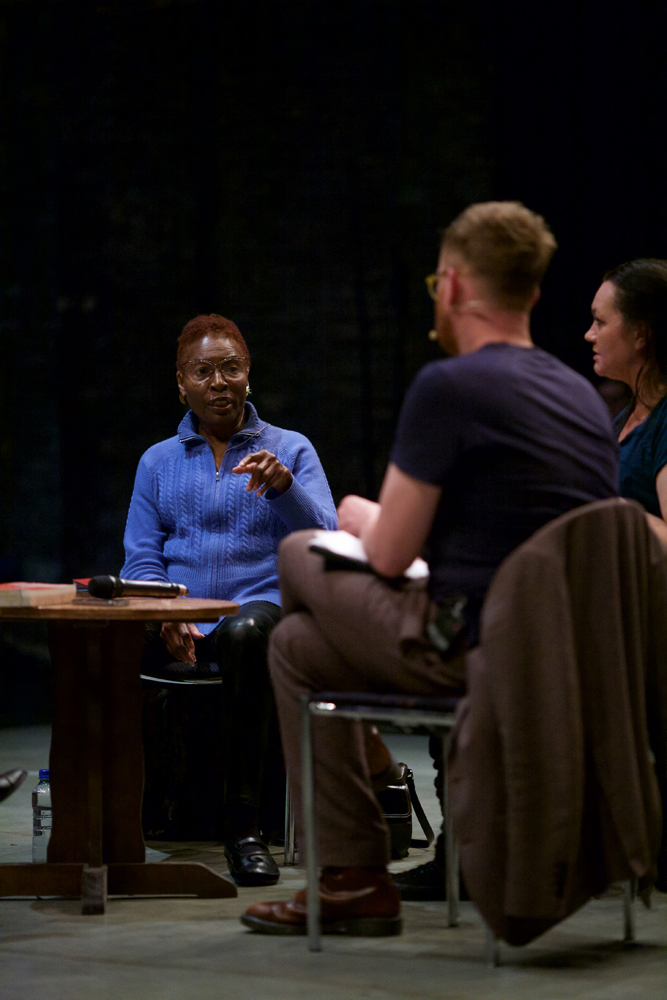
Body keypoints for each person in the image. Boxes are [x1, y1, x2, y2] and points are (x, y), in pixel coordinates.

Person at [241, 201, 619, 936]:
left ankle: (362, 825)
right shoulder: (579, 396)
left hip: (466, 647)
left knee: (297, 552)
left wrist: (353, 514)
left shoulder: (449, 387)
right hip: (555, 660)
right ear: (532, 294)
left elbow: (386, 557)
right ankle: (354, 879)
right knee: (293, 648)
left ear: (448, 287)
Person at [121, 313, 337, 886]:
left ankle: (244, 829)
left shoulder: (290, 449)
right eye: (205, 371)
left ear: (248, 374)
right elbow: (141, 558)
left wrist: (284, 488)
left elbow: (326, 541)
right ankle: (110, 820)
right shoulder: (157, 461)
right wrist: (166, 612)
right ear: (181, 383)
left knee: (243, 634)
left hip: (261, 612)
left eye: (231, 368)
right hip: (179, 612)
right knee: (99, 644)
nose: (220, 382)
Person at [584, 258, 667, 522]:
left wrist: (611, 510)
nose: (589, 334)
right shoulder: (628, 415)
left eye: (600, 321)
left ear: (640, 334)